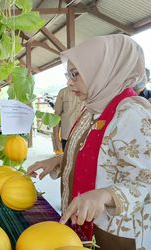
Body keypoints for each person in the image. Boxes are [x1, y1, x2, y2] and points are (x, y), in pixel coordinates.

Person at [27, 34, 151, 250]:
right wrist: (59, 160)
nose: (69, 81)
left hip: (115, 231)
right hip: (84, 222)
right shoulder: (92, 108)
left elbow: (145, 180)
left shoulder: (131, 114)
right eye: (69, 73)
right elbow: (96, 155)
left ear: (104, 71)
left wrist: (105, 194)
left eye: (77, 74)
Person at [53, 86, 84, 152]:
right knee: (67, 161)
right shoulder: (63, 92)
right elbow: (55, 117)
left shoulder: (89, 92)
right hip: (66, 137)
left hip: (84, 136)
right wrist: (57, 140)